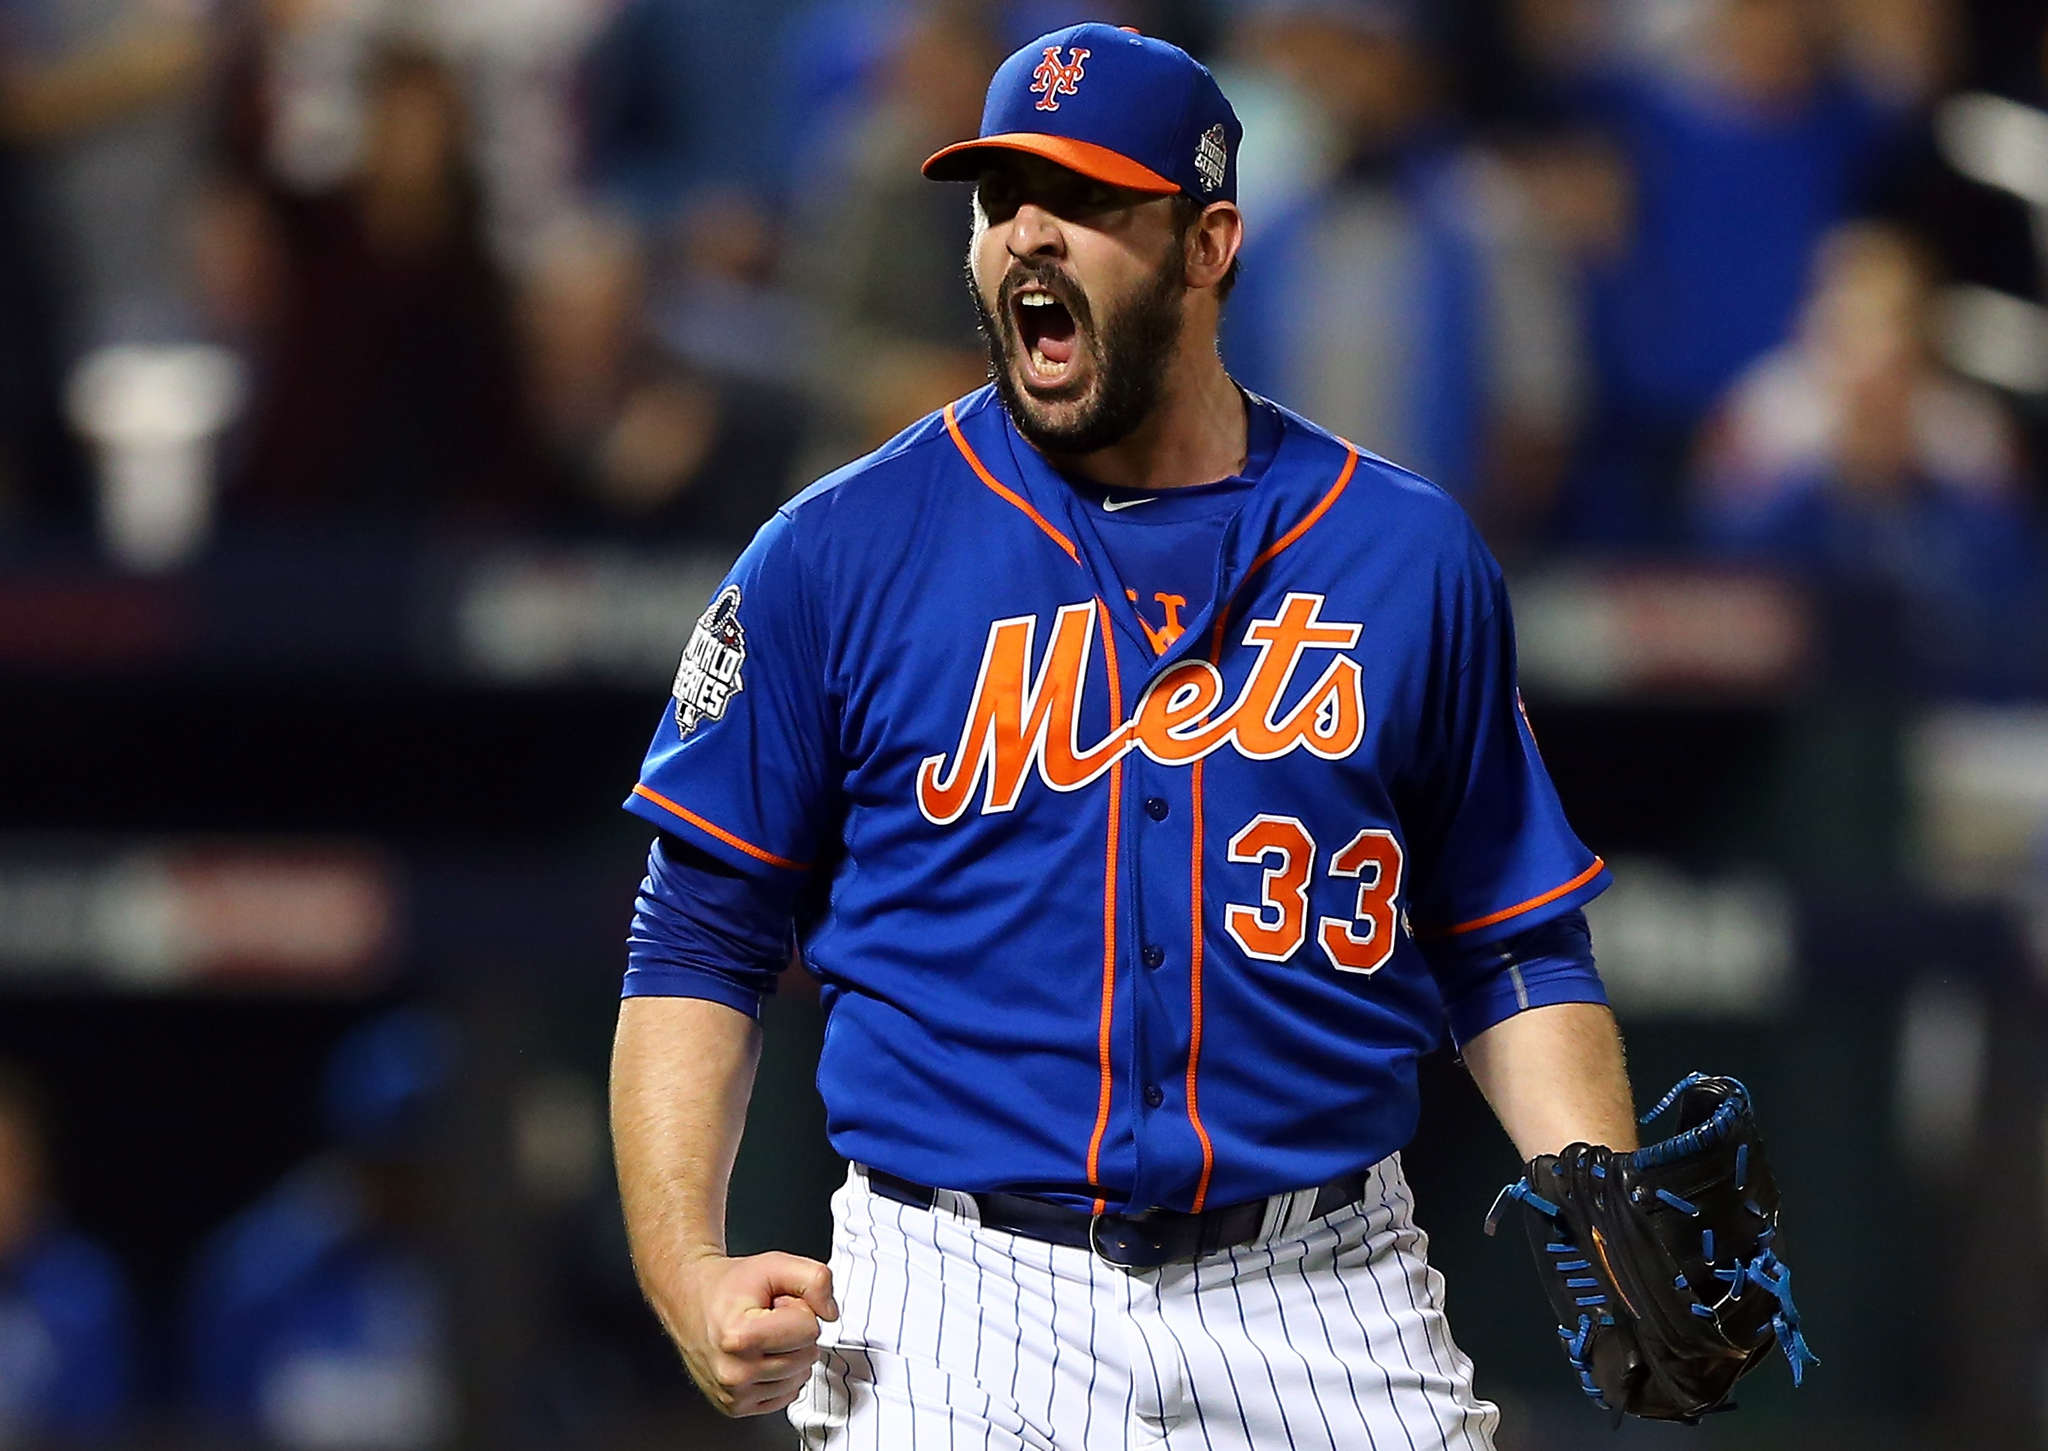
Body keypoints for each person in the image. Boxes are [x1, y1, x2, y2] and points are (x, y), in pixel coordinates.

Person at [610, 24, 1636, 1449]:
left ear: (1209, 242)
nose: (1030, 234)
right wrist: (685, 1272)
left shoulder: (1405, 555)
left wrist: (1602, 1188)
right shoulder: (835, 551)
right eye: (1000, 200)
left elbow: (1511, 939)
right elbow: (693, 941)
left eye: (1086, 200)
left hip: (1323, 1288)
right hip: (954, 1290)